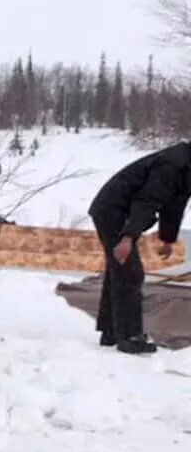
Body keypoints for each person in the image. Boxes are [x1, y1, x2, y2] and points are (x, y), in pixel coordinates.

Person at [87, 140, 191, 354]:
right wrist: (127, 238)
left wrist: (168, 238)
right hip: (113, 210)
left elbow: (174, 204)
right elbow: (147, 201)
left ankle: (111, 332)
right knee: (130, 272)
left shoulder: (185, 167)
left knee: (119, 271)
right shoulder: (173, 164)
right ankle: (129, 336)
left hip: (122, 212)